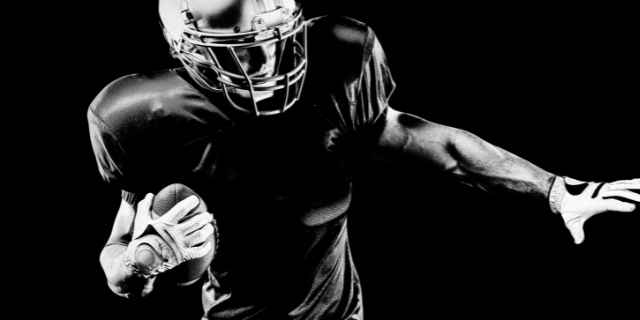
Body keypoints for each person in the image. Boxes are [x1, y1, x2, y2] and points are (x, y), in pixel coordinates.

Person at [88, 0, 639, 319]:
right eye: (242, 48)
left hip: (342, 313)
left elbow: (435, 147)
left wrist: (552, 189)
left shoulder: (338, 63)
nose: (267, 62)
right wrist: (142, 262)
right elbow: (119, 266)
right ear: (186, 45)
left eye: (276, 39)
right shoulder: (144, 116)